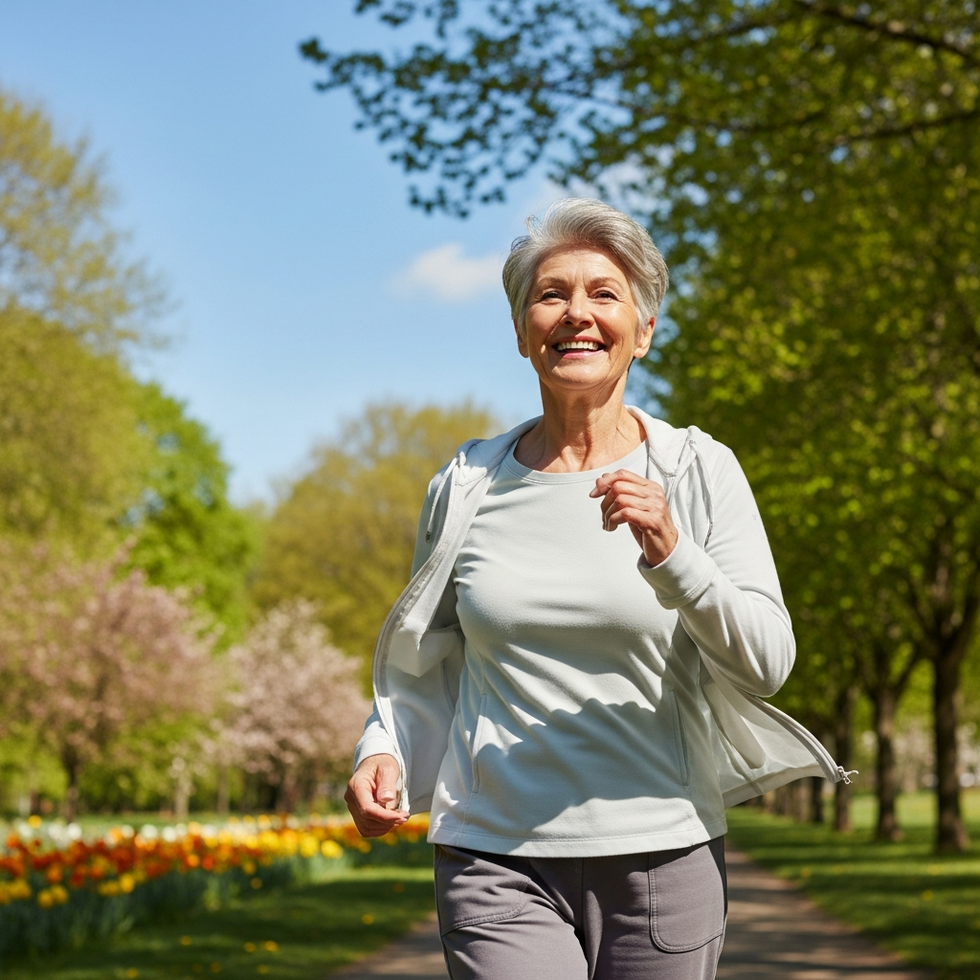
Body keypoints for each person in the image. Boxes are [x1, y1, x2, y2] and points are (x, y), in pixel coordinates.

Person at [345, 199, 846, 980]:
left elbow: (766, 663)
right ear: (522, 332)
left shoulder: (698, 470)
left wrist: (675, 555)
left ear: (643, 331)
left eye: (604, 294)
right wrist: (382, 750)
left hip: (663, 853)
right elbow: (428, 660)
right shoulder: (466, 483)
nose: (576, 313)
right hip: (494, 853)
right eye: (551, 294)